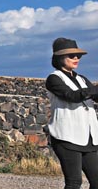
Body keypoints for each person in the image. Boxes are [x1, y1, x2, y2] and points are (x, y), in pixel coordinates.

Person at [46, 37, 98, 189]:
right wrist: (93, 91)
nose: (76, 58)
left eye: (78, 56)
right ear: (59, 57)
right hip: (66, 136)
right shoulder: (54, 79)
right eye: (71, 55)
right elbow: (72, 96)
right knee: (74, 182)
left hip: (88, 137)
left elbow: (93, 95)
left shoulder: (82, 79)